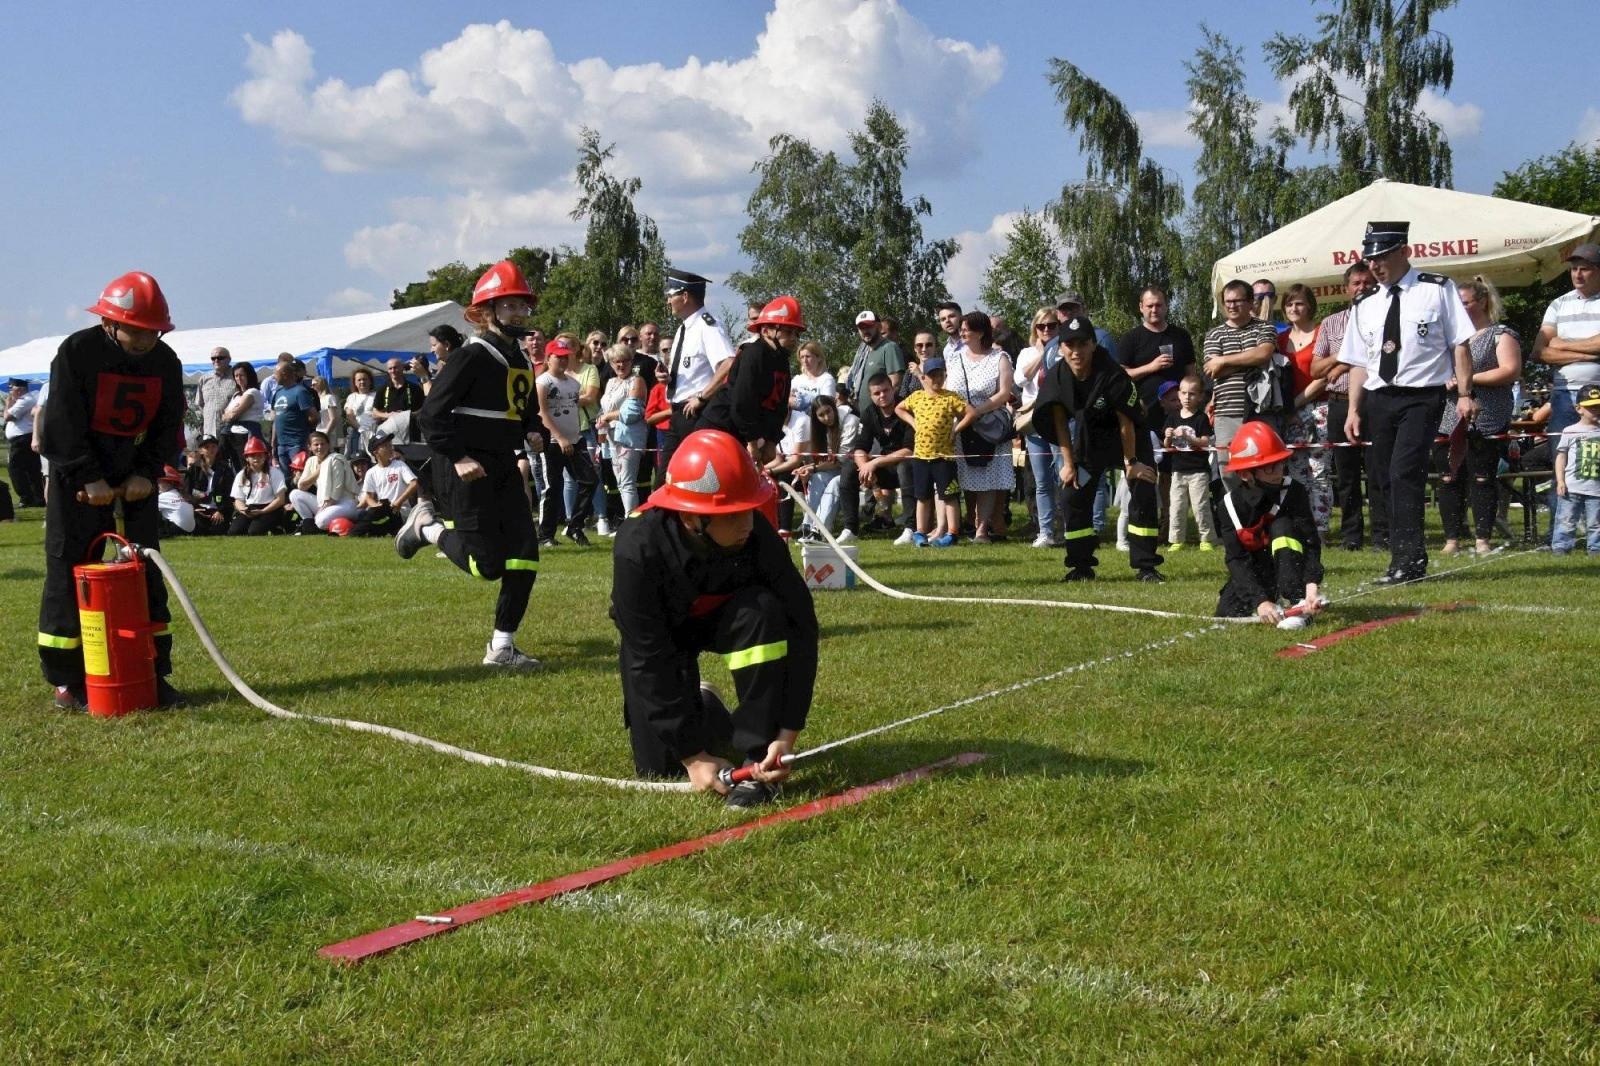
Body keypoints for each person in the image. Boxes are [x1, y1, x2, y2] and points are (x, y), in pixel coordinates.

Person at [610, 429, 819, 806]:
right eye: (733, 514)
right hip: (664, 637)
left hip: (732, 621)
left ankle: (757, 752)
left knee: (764, 612)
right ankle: (704, 707)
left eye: (749, 509)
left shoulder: (758, 538)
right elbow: (647, 657)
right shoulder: (636, 550)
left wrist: (785, 735)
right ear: (692, 518)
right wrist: (692, 757)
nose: (747, 524)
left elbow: (802, 627)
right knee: (660, 765)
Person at [37, 271, 186, 711]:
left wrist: (146, 472)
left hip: (134, 485)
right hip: (79, 487)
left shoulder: (166, 362)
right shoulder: (77, 353)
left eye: (152, 332)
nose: (145, 340)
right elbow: (61, 422)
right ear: (109, 322)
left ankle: (152, 672)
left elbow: (167, 426)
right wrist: (87, 477)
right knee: (69, 577)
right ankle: (68, 681)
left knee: (144, 575)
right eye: (136, 331)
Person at [397, 259, 547, 669]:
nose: (519, 313)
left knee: (525, 554)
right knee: (486, 565)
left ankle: (502, 647)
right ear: (486, 312)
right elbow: (431, 415)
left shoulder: (519, 359)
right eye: (510, 305)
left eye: (522, 306)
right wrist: (459, 456)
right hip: (462, 466)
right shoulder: (471, 356)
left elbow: (527, 411)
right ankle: (424, 528)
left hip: (501, 465)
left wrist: (535, 431)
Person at [1338, 221, 1476, 583]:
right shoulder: (1365, 303)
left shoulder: (1437, 289)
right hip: (1380, 397)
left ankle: (1410, 559)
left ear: (1404, 251)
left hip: (1422, 395)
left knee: (1404, 472)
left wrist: (1464, 393)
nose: (1374, 266)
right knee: (1383, 477)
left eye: (1381, 256)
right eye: (1369, 259)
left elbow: (1460, 343)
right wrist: (1354, 409)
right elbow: (1357, 362)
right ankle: (1398, 554)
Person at [1034, 315, 1164, 583]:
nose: (1076, 351)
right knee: (1072, 495)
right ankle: (1081, 567)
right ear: (1060, 348)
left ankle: (1146, 567)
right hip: (1089, 439)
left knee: (1143, 489)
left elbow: (1126, 420)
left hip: (1128, 438)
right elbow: (1058, 420)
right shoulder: (1057, 376)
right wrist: (1068, 465)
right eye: (1069, 345)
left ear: (1093, 345)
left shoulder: (1111, 371)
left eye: (1082, 344)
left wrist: (1131, 463)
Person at [1435, 277, 1521, 556]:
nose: (1459, 309)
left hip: (1487, 415)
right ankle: (1452, 539)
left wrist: (1467, 380)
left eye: (1465, 303)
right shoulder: (1447, 337)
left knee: (1482, 477)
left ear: (1482, 302)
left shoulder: (1501, 334)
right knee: (1449, 478)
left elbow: (1509, 370)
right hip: (1447, 416)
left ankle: (1482, 538)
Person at [1213, 421, 1324, 629]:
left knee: (1282, 527)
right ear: (1246, 474)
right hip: (1258, 571)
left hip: (1292, 568)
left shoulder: (1294, 492)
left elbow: (1310, 543)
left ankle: (1296, 602)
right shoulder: (1228, 507)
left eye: (1281, 463)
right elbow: (1236, 559)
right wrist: (1260, 601)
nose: (1279, 471)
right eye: (1271, 467)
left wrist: (1311, 588)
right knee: (1227, 613)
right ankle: (1272, 597)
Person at [1310, 260, 1379, 550]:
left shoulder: (1385, 318)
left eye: (1367, 283)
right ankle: (1352, 537)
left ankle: (1382, 535)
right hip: (1338, 403)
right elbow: (1315, 369)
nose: (1362, 288)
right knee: (1346, 477)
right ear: (1346, 288)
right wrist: (1343, 356)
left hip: (1374, 401)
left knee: (1378, 472)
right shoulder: (1331, 323)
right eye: (1356, 283)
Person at [1532, 243, 1600, 523]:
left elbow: (1553, 346)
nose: (1577, 274)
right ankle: (1559, 533)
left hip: (1597, 396)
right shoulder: (1558, 304)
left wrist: (1563, 345)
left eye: (1584, 269)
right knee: (1561, 461)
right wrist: (1591, 348)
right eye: (1574, 269)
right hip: (1562, 396)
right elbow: (1539, 351)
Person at [699, 295, 802, 466]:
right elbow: (743, 401)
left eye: (796, 333)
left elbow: (779, 405)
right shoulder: (753, 355)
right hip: (719, 430)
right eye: (788, 331)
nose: (794, 338)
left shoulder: (781, 360)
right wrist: (753, 442)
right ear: (766, 330)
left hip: (743, 435)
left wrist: (771, 441)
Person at [894, 355, 975, 547]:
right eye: (932, 376)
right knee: (922, 497)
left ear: (944, 376)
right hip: (921, 456)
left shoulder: (950, 397)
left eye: (940, 375)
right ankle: (920, 532)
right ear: (925, 378)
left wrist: (956, 429)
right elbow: (899, 408)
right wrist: (913, 422)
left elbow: (970, 413)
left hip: (944, 457)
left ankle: (952, 533)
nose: (936, 379)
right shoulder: (917, 397)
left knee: (949, 496)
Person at [948, 311, 1015, 543]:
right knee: (966, 475)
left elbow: (1004, 392)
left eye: (967, 328)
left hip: (989, 423)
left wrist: (977, 411)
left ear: (981, 331)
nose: (962, 332)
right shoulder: (955, 358)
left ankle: (982, 528)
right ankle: (970, 520)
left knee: (988, 476)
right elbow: (947, 389)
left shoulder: (1000, 358)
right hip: (961, 424)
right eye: (961, 329)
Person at [661, 267, 736, 471]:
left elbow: (728, 363)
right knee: (665, 480)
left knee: (691, 477)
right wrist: (666, 377)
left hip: (695, 413)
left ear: (685, 296)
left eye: (671, 295)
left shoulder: (707, 326)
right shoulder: (683, 328)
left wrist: (701, 397)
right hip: (677, 412)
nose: (668, 301)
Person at [1204, 279, 1280, 465]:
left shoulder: (1264, 327)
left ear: (1250, 302)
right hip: (1227, 412)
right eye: (1228, 301)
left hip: (1261, 410)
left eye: (1237, 301)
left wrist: (1223, 360)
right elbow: (1212, 371)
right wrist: (1251, 360)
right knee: (1228, 468)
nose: (1232, 305)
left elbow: (1263, 353)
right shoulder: (1214, 334)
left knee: (1265, 466)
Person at [535, 335, 599, 546]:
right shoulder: (542, 382)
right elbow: (542, 414)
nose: (563, 361)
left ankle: (575, 526)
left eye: (565, 357)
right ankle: (545, 535)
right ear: (549, 358)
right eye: (558, 357)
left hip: (576, 439)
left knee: (590, 480)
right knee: (552, 487)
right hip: (553, 443)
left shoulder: (574, 383)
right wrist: (560, 438)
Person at [1278, 284, 1332, 536]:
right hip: (1287, 413)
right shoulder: (1280, 340)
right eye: (1289, 304)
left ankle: (1320, 529)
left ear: (1309, 305)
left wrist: (1296, 404)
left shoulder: (1322, 333)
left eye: (1299, 303)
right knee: (1296, 472)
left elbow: (1325, 376)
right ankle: (1301, 527)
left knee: (1318, 471)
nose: (1294, 308)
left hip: (1318, 408)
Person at [1017, 308, 1062, 547]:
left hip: (1059, 418)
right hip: (1033, 421)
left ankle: (1067, 529)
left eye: (1052, 326)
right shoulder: (1026, 353)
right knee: (1042, 479)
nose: (1046, 330)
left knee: (1063, 475)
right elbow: (1021, 379)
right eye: (1041, 326)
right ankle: (1046, 531)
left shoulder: (1065, 351)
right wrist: (1042, 354)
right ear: (1035, 328)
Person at [1116, 286, 1195, 424]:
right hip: (1144, 412)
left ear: (1166, 306)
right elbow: (1121, 376)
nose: (1154, 310)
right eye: (1150, 306)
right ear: (1141, 307)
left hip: (1179, 413)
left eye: (1158, 305)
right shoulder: (1130, 338)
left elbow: (1191, 374)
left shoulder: (1181, 336)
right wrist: (1151, 367)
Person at [850, 371, 915, 534]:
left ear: (893, 389)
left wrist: (875, 462)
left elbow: (909, 450)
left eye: (885, 390)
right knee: (849, 469)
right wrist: (864, 467)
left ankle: (911, 526)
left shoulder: (908, 408)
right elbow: (859, 446)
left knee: (904, 466)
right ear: (870, 396)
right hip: (886, 464)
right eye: (876, 393)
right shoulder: (869, 413)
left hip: (910, 463)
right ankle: (850, 528)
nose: (882, 395)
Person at [596, 342, 649, 522]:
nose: (620, 365)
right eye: (616, 361)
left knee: (627, 482)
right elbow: (603, 410)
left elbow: (631, 413)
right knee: (619, 480)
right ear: (611, 363)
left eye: (624, 361)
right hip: (610, 436)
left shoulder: (637, 381)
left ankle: (630, 522)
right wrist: (603, 423)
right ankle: (629, 519)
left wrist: (608, 416)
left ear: (631, 361)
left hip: (629, 438)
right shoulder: (610, 382)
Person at [1164, 374, 1216, 549]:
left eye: (1192, 394)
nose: (1187, 397)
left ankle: (1206, 540)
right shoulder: (1172, 417)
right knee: (1177, 507)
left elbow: (1205, 442)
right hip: (1177, 470)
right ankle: (1177, 540)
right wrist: (1168, 437)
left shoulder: (1201, 418)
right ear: (1179, 394)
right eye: (1184, 393)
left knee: (1200, 507)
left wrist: (1187, 437)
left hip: (1198, 471)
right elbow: (1166, 445)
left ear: (1201, 397)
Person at [795, 394, 857, 542]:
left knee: (835, 482)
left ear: (834, 407)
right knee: (818, 478)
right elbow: (829, 461)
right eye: (821, 415)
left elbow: (842, 459)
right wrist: (808, 468)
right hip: (840, 466)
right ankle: (807, 526)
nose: (826, 417)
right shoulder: (821, 429)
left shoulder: (850, 421)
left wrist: (813, 468)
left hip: (856, 467)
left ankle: (821, 530)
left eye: (828, 411)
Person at [1552, 384, 1600, 555]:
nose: (1596, 410)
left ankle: (1595, 549)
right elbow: (1561, 456)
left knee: (1596, 522)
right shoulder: (1570, 431)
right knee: (1566, 519)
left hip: (1596, 489)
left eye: (1599, 407)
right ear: (1579, 408)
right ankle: (1561, 547)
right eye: (1591, 407)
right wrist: (1560, 480)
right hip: (1572, 486)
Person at [289, 430, 358, 533]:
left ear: (328, 445)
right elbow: (301, 486)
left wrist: (322, 510)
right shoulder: (311, 461)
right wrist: (318, 471)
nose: (320, 447)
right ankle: (309, 525)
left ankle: (317, 526)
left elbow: (336, 492)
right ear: (310, 447)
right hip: (324, 503)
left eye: (323, 444)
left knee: (320, 521)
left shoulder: (335, 460)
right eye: (316, 444)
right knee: (295, 494)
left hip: (344, 503)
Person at [350, 431, 416, 536]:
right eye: (385, 446)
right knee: (360, 524)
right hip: (382, 507)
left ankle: (381, 530)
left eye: (390, 445)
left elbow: (414, 483)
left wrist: (399, 501)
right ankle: (355, 532)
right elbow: (368, 496)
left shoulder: (400, 465)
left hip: (400, 509)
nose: (390, 448)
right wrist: (375, 505)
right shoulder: (371, 472)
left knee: (382, 525)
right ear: (376, 452)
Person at [228, 435, 289, 535]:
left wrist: (263, 511)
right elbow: (238, 500)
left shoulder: (275, 473)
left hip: (270, 508)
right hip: (249, 508)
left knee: (254, 531)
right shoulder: (241, 475)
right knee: (234, 531)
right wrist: (244, 511)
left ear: (265, 456)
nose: (256, 458)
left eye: (260, 455)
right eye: (252, 455)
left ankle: (276, 527)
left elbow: (280, 499)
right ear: (247, 458)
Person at [843, 310, 906, 398]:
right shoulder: (863, 354)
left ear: (879, 326)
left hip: (880, 411)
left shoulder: (889, 347)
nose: (865, 330)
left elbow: (895, 384)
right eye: (861, 327)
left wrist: (879, 408)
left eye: (869, 326)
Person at [270, 361, 317, 475]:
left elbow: (314, 416)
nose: (273, 377)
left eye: (276, 374)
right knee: (285, 478)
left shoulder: (300, 391)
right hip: (281, 445)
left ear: (285, 374)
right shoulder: (278, 393)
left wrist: (303, 433)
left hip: (297, 444)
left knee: (299, 476)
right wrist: (273, 441)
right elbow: (276, 418)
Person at [5, 379, 44, 507]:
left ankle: (26, 498)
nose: (10, 391)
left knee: (15, 469)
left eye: (12, 388)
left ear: (20, 389)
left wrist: (7, 404)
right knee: (33, 470)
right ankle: (38, 498)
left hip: (21, 439)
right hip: (26, 438)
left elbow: (7, 416)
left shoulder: (25, 400)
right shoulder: (33, 396)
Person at [221, 362, 265, 471]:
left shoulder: (253, 392)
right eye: (236, 376)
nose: (238, 378)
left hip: (248, 432)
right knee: (236, 466)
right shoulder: (236, 395)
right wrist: (229, 414)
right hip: (233, 433)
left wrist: (230, 413)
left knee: (248, 466)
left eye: (242, 375)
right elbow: (224, 416)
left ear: (249, 376)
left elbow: (233, 415)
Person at [197, 347, 238, 441]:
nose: (216, 360)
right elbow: (200, 404)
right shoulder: (204, 379)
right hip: (209, 431)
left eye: (220, 358)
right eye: (213, 358)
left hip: (231, 430)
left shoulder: (237, 377)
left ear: (229, 359)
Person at [373, 357, 424, 423]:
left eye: (395, 367)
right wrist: (388, 415)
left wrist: (408, 415)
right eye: (390, 368)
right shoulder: (382, 389)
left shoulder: (414, 388)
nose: (393, 371)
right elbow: (375, 412)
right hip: (389, 429)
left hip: (410, 428)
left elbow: (423, 408)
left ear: (402, 368)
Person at [343, 367, 378, 458]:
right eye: (359, 380)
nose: (362, 382)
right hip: (357, 433)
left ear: (370, 381)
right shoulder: (351, 397)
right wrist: (360, 428)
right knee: (356, 459)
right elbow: (349, 416)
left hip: (374, 432)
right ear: (355, 382)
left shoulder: (377, 395)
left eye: (364, 379)